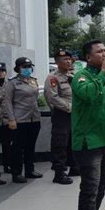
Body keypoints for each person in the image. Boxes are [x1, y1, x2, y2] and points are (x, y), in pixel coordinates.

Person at [71, 40, 105, 210]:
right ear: (88, 57)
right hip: (89, 143)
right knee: (90, 189)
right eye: (100, 52)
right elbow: (89, 95)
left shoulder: (103, 76)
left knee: (102, 184)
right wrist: (104, 74)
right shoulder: (81, 76)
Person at [5, 57, 42, 183]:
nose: (27, 69)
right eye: (24, 67)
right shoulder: (12, 82)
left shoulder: (33, 81)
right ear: (18, 68)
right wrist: (11, 119)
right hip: (19, 119)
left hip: (34, 118)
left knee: (30, 146)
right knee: (17, 147)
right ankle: (16, 173)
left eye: (29, 66)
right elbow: (7, 102)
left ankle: (29, 170)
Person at [44, 49, 78, 185]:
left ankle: (74, 168)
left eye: (69, 59)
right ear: (57, 62)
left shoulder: (73, 76)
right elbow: (52, 97)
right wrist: (69, 107)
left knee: (73, 141)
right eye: (65, 59)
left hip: (75, 114)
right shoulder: (52, 78)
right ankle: (59, 173)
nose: (68, 61)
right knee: (60, 143)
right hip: (62, 114)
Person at [0, 61, 9, 185]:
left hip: (6, 120)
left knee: (7, 144)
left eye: (2, 71)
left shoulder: (8, 83)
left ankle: (7, 165)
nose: (0, 73)